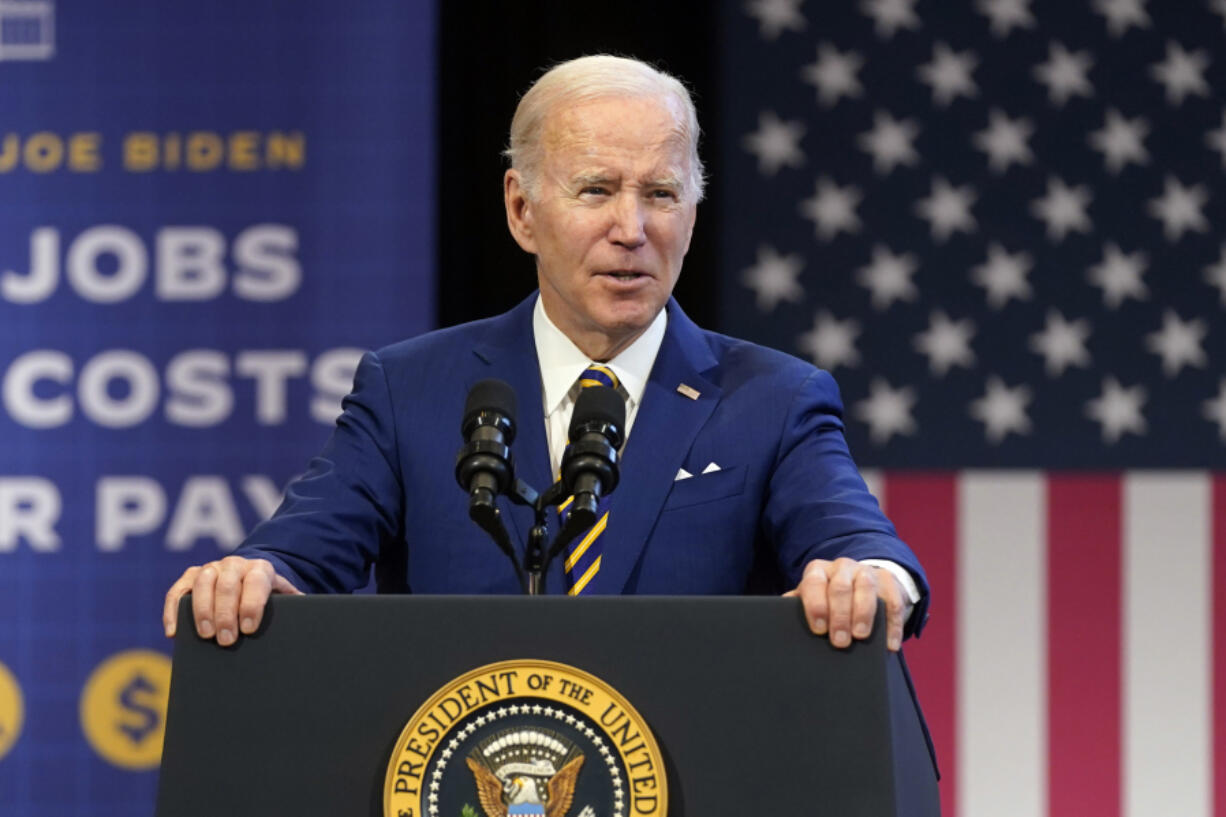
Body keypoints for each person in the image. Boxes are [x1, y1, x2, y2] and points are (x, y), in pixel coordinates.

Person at [163, 55, 929, 653]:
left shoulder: (773, 397)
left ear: (692, 215)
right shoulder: (409, 389)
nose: (632, 228)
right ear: (522, 210)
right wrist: (255, 576)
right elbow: (301, 553)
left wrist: (867, 578)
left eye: (660, 194)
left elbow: (861, 545)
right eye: (596, 190)